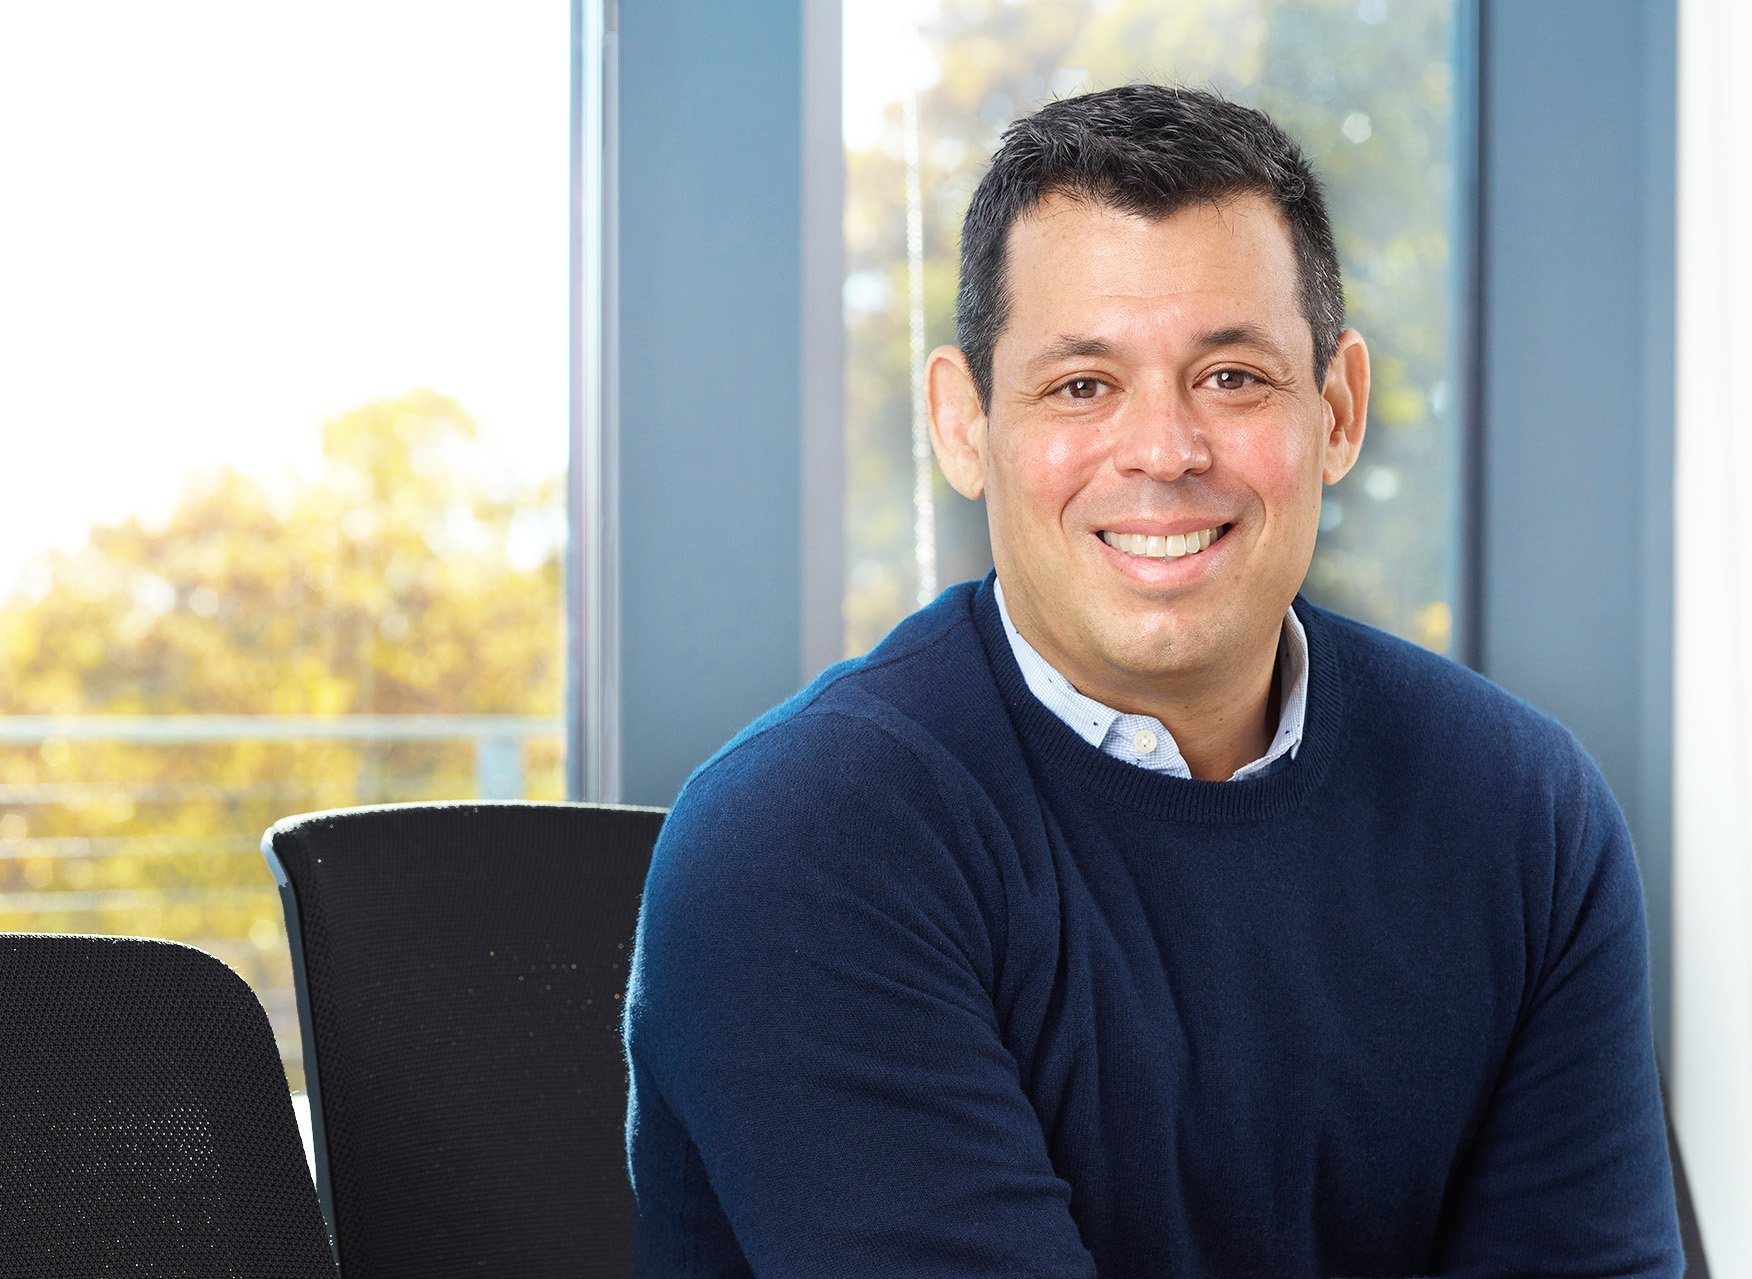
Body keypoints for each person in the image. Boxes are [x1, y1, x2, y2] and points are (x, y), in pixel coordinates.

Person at [624, 85, 1681, 1277]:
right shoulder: (800, 838)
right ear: (963, 425)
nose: (1164, 450)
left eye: (1230, 376)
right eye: (1081, 386)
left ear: (1335, 411)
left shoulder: (1522, 810)